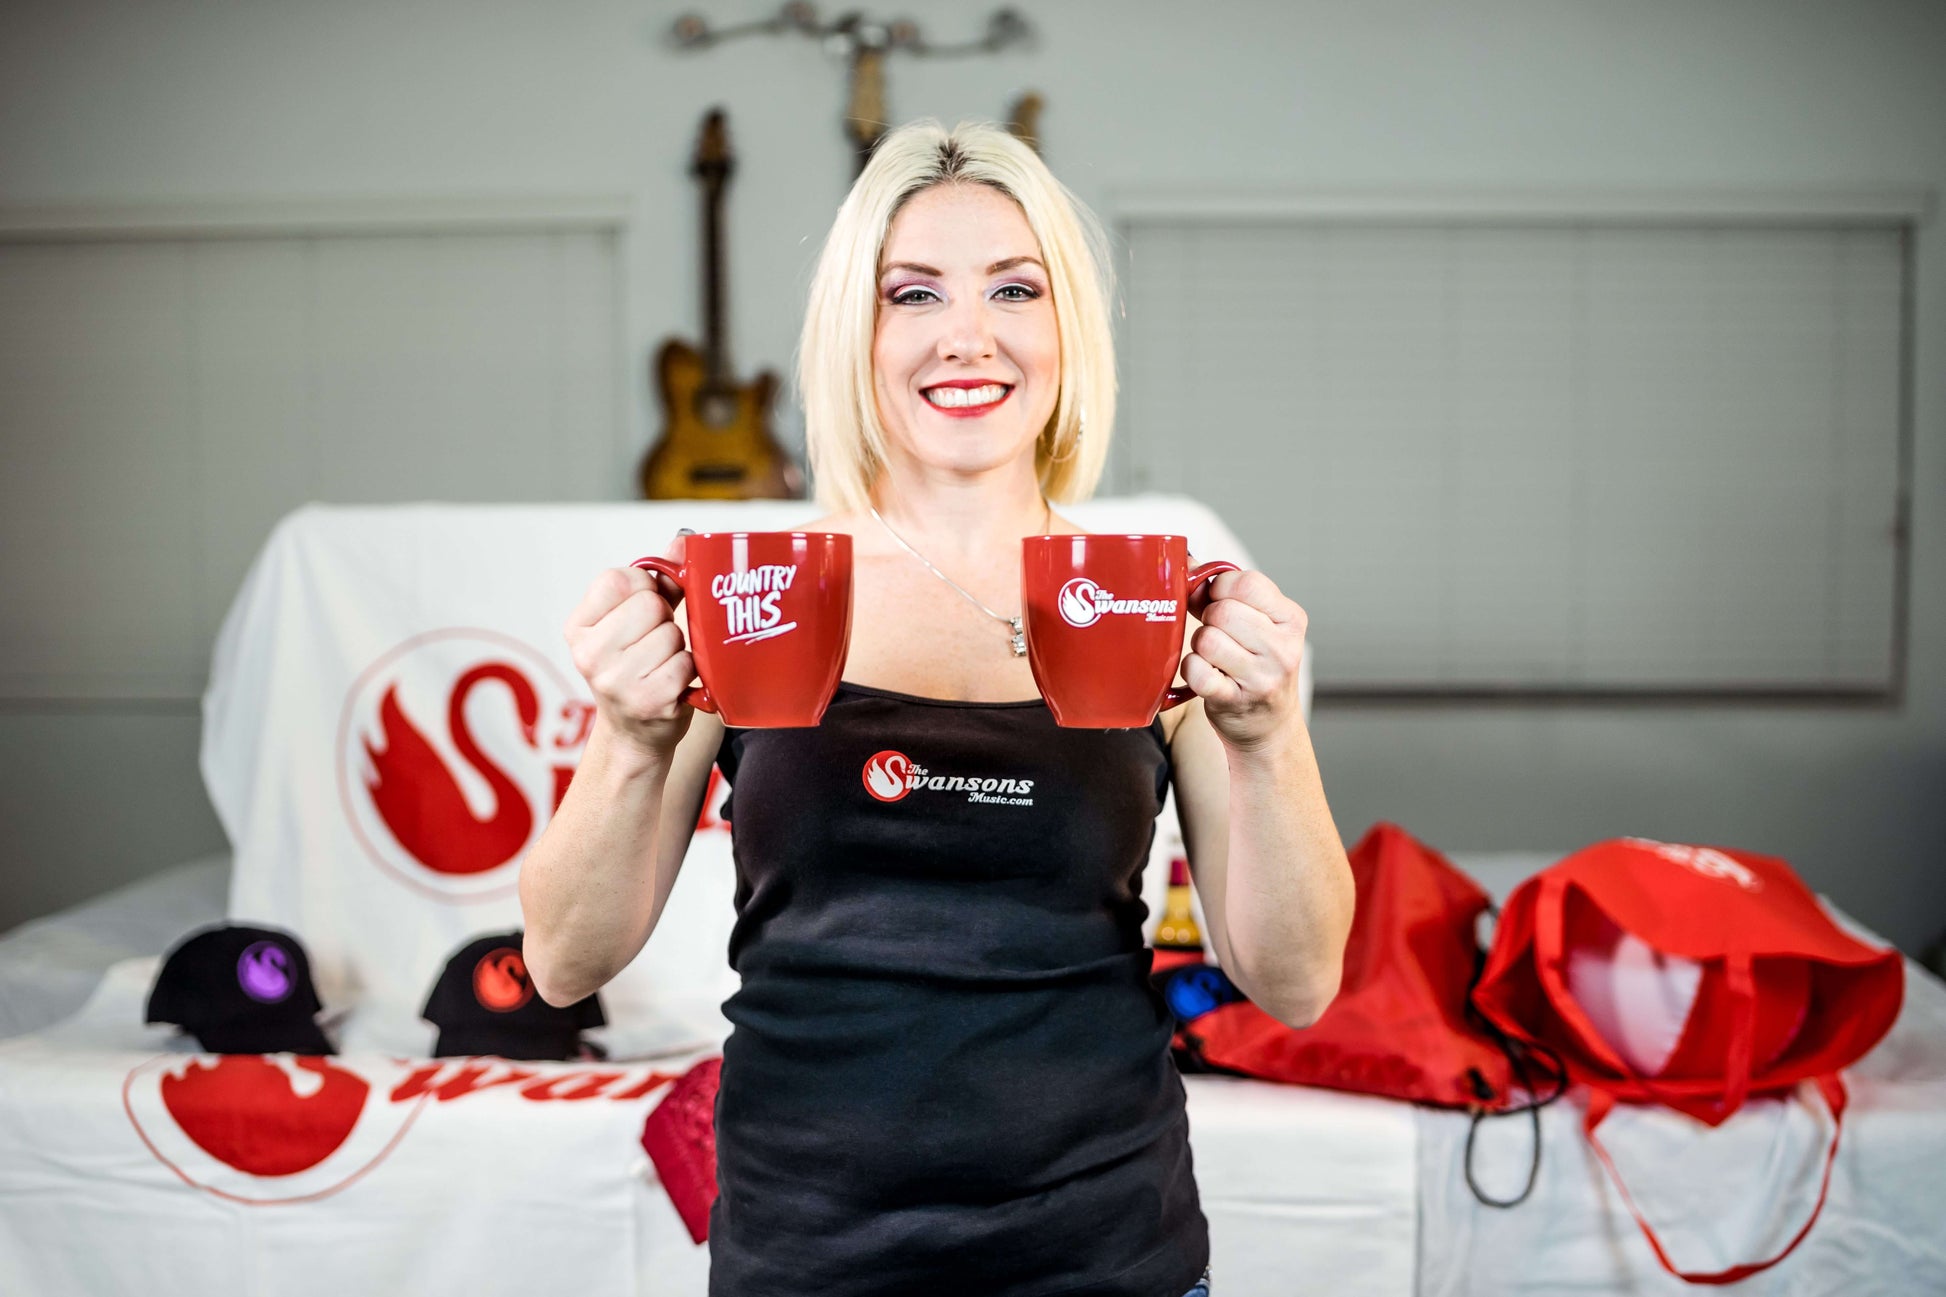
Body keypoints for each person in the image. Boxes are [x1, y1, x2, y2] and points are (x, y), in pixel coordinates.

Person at [519, 119, 1356, 1297]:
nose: (966, 335)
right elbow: (560, 963)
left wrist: (1269, 741)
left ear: (1065, 324)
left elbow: (1298, 981)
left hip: (1109, 1261)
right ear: (852, 334)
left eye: (1014, 288)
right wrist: (630, 733)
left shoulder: (1146, 601)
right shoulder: (748, 598)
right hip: (805, 1264)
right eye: (911, 293)